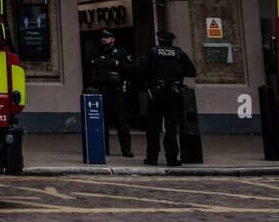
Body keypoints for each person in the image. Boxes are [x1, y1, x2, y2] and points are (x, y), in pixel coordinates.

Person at [137, 29, 197, 167]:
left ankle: (152, 157)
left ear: (159, 40)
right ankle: (172, 158)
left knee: (153, 127)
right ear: (171, 41)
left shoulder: (153, 52)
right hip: (174, 94)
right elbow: (192, 71)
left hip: (157, 94)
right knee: (171, 127)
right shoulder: (179, 53)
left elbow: (140, 70)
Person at [83, 28, 134, 157]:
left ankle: (126, 150)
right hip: (100, 92)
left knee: (121, 122)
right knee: (102, 122)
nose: (103, 39)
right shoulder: (96, 53)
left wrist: (118, 63)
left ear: (113, 39)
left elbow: (132, 69)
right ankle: (104, 149)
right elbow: (87, 68)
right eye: (102, 37)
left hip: (116, 92)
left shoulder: (121, 53)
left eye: (107, 37)